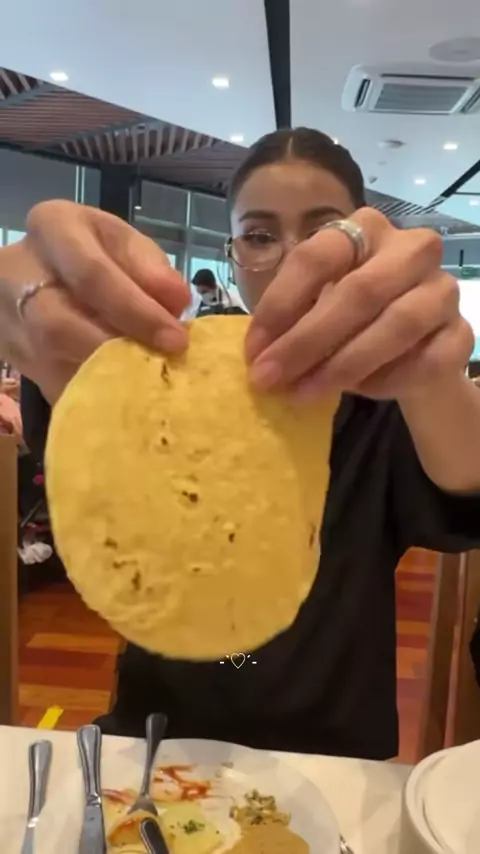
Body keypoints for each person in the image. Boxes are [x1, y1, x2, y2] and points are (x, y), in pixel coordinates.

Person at [1, 127, 479, 760]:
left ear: (367, 250)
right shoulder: (160, 376)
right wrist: (33, 304)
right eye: (258, 235)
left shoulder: (387, 402)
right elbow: (75, 436)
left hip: (331, 756)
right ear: (232, 257)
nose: (291, 258)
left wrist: (433, 375)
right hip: (158, 738)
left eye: (323, 232)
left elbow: (468, 486)